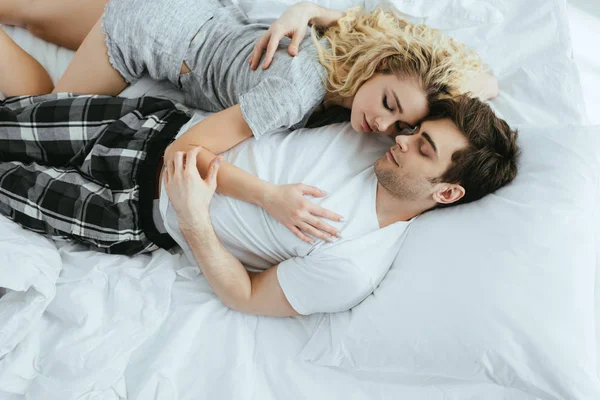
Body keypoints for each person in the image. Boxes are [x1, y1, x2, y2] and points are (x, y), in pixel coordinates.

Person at [0, 28, 520, 317]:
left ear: (448, 191)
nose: (400, 137)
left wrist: (196, 222)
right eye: (412, 129)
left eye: (422, 146)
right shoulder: (375, 132)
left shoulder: (354, 263)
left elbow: (246, 297)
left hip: (134, 214)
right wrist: (307, 10)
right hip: (149, 128)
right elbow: (419, 57)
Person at [0, 0, 499, 243]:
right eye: (388, 101)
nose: (382, 124)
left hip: (184, 14)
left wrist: (309, 12)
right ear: (379, 64)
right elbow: (188, 149)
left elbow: (486, 82)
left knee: (30, 15)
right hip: (145, 36)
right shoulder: (295, 92)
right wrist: (270, 197)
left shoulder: (352, 53)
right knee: (36, 100)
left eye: (399, 125)